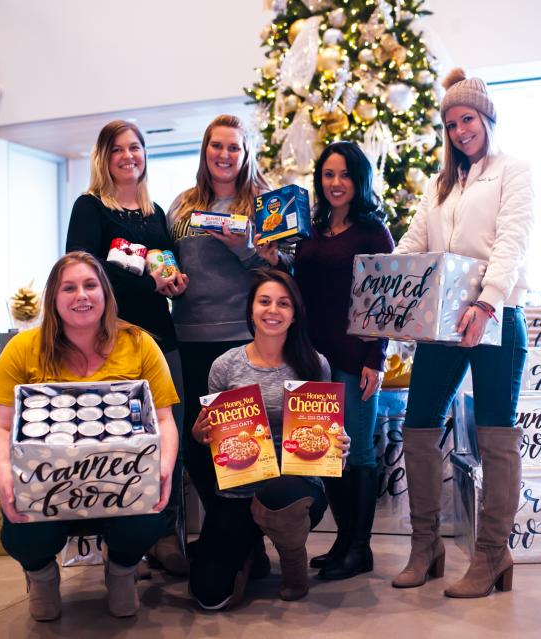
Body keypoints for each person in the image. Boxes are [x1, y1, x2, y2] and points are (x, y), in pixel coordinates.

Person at [391, 68, 534, 598]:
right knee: (419, 424)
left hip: (496, 316)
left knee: (496, 434)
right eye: (451, 124)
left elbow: (511, 243)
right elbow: (413, 243)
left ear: (486, 117)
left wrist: (487, 304)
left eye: (467, 119)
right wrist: (386, 280)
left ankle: (492, 554)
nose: (459, 131)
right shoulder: (440, 185)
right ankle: (425, 546)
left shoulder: (513, 172)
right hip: (441, 321)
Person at [0, 251, 180, 621]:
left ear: (106, 294)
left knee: (149, 516)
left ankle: (121, 570)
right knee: (20, 532)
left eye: (91, 285)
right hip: (48, 486)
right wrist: (6, 478)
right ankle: (41, 575)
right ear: (53, 299)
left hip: (121, 484)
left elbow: (165, 421)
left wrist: (164, 469)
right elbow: (0, 428)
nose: (81, 296)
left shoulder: (139, 344)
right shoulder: (23, 349)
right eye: (68, 288)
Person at [65, 120, 190, 575]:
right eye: (118, 149)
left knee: (167, 439)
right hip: (112, 342)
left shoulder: (156, 212)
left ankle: (165, 536)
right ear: (104, 156)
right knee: (120, 441)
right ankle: (124, 544)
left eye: (135, 147)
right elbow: (80, 271)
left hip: (162, 339)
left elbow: (167, 269)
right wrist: (140, 278)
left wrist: (174, 285)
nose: (128, 156)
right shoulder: (91, 207)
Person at [266, 142, 395, 580]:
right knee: (328, 456)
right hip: (313, 361)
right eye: (327, 175)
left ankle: (359, 548)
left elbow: (386, 301)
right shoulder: (313, 232)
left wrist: (376, 358)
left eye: (344, 175)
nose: (335, 183)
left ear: (358, 180)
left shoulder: (373, 232)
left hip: (355, 358)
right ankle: (344, 543)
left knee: (357, 452)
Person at [188, 270, 350, 609]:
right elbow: (214, 431)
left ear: (294, 314)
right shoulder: (225, 366)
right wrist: (201, 433)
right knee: (208, 595)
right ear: (250, 310)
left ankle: (292, 559)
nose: (272, 310)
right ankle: (249, 550)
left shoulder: (313, 364)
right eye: (264, 301)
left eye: (283, 303)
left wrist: (340, 442)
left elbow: (327, 428)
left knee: (279, 491)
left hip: (295, 491)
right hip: (238, 486)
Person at [167, 114, 273, 513]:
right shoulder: (182, 204)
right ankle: (221, 531)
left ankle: (246, 548)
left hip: (240, 340)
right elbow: (169, 259)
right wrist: (168, 278)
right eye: (217, 145)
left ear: (245, 154)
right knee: (197, 442)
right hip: (189, 336)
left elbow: (282, 275)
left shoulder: (262, 204)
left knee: (241, 443)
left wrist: (241, 249)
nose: (224, 154)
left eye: (233, 147)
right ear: (205, 150)